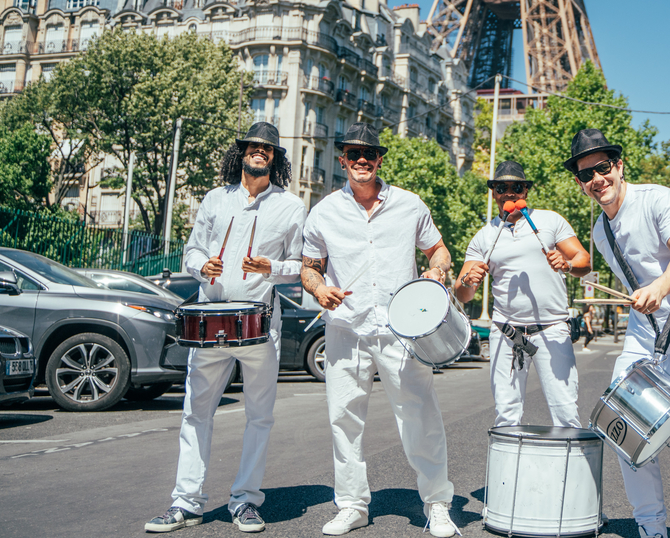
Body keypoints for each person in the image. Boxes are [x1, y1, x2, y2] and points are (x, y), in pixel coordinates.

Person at [567, 128, 670, 538]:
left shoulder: (659, 199)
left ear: (619, 166)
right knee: (621, 426)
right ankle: (650, 527)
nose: (597, 180)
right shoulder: (599, 234)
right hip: (647, 335)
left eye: (603, 168)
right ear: (580, 183)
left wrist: (659, 288)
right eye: (587, 174)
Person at [146, 122, 305, 534]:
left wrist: (273, 268)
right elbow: (191, 251)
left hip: (259, 323)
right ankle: (186, 503)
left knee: (259, 416)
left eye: (267, 148)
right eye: (253, 146)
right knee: (196, 413)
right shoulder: (215, 199)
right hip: (210, 317)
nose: (259, 152)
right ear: (242, 153)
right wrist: (202, 265)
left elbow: (302, 267)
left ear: (275, 157)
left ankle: (246, 501)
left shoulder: (291, 206)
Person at [301, 123, 458, 538]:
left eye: (369, 153)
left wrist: (437, 269)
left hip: (400, 329)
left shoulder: (409, 205)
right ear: (343, 161)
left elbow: (438, 249)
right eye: (353, 153)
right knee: (343, 420)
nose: (361, 160)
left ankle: (438, 504)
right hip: (344, 329)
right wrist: (319, 289)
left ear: (380, 159)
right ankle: (352, 505)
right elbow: (309, 267)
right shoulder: (323, 212)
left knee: (420, 417)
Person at [455, 160, 591, 428]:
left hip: (552, 330)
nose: (509, 193)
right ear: (494, 193)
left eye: (516, 187)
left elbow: (584, 261)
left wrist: (568, 264)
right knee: (506, 417)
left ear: (526, 191)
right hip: (506, 335)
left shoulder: (550, 221)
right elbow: (463, 294)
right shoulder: (484, 236)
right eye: (501, 188)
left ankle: (565, 469)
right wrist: (468, 281)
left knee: (566, 415)